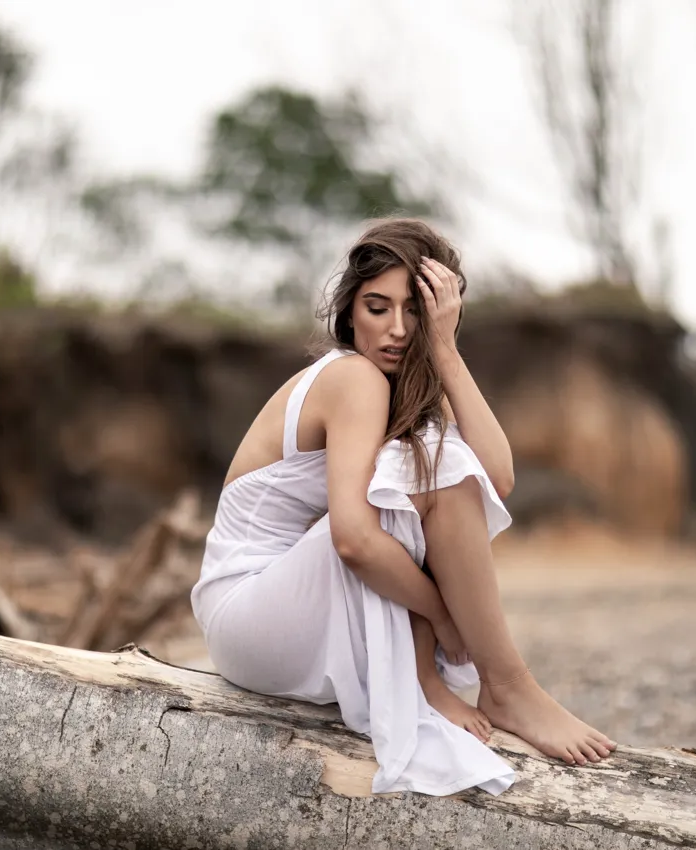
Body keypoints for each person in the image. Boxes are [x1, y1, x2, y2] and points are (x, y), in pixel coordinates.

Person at [190, 218, 615, 796]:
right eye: (377, 307)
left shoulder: (403, 386)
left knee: (438, 477)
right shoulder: (353, 377)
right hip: (249, 609)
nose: (396, 329)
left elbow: (497, 476)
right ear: (348, 311)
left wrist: (445, 350)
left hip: (271, 617)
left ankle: (474, 683)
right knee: (411, 495)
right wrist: (441, 612)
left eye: (415, 310)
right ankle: (505, 684)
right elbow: (354, 542)